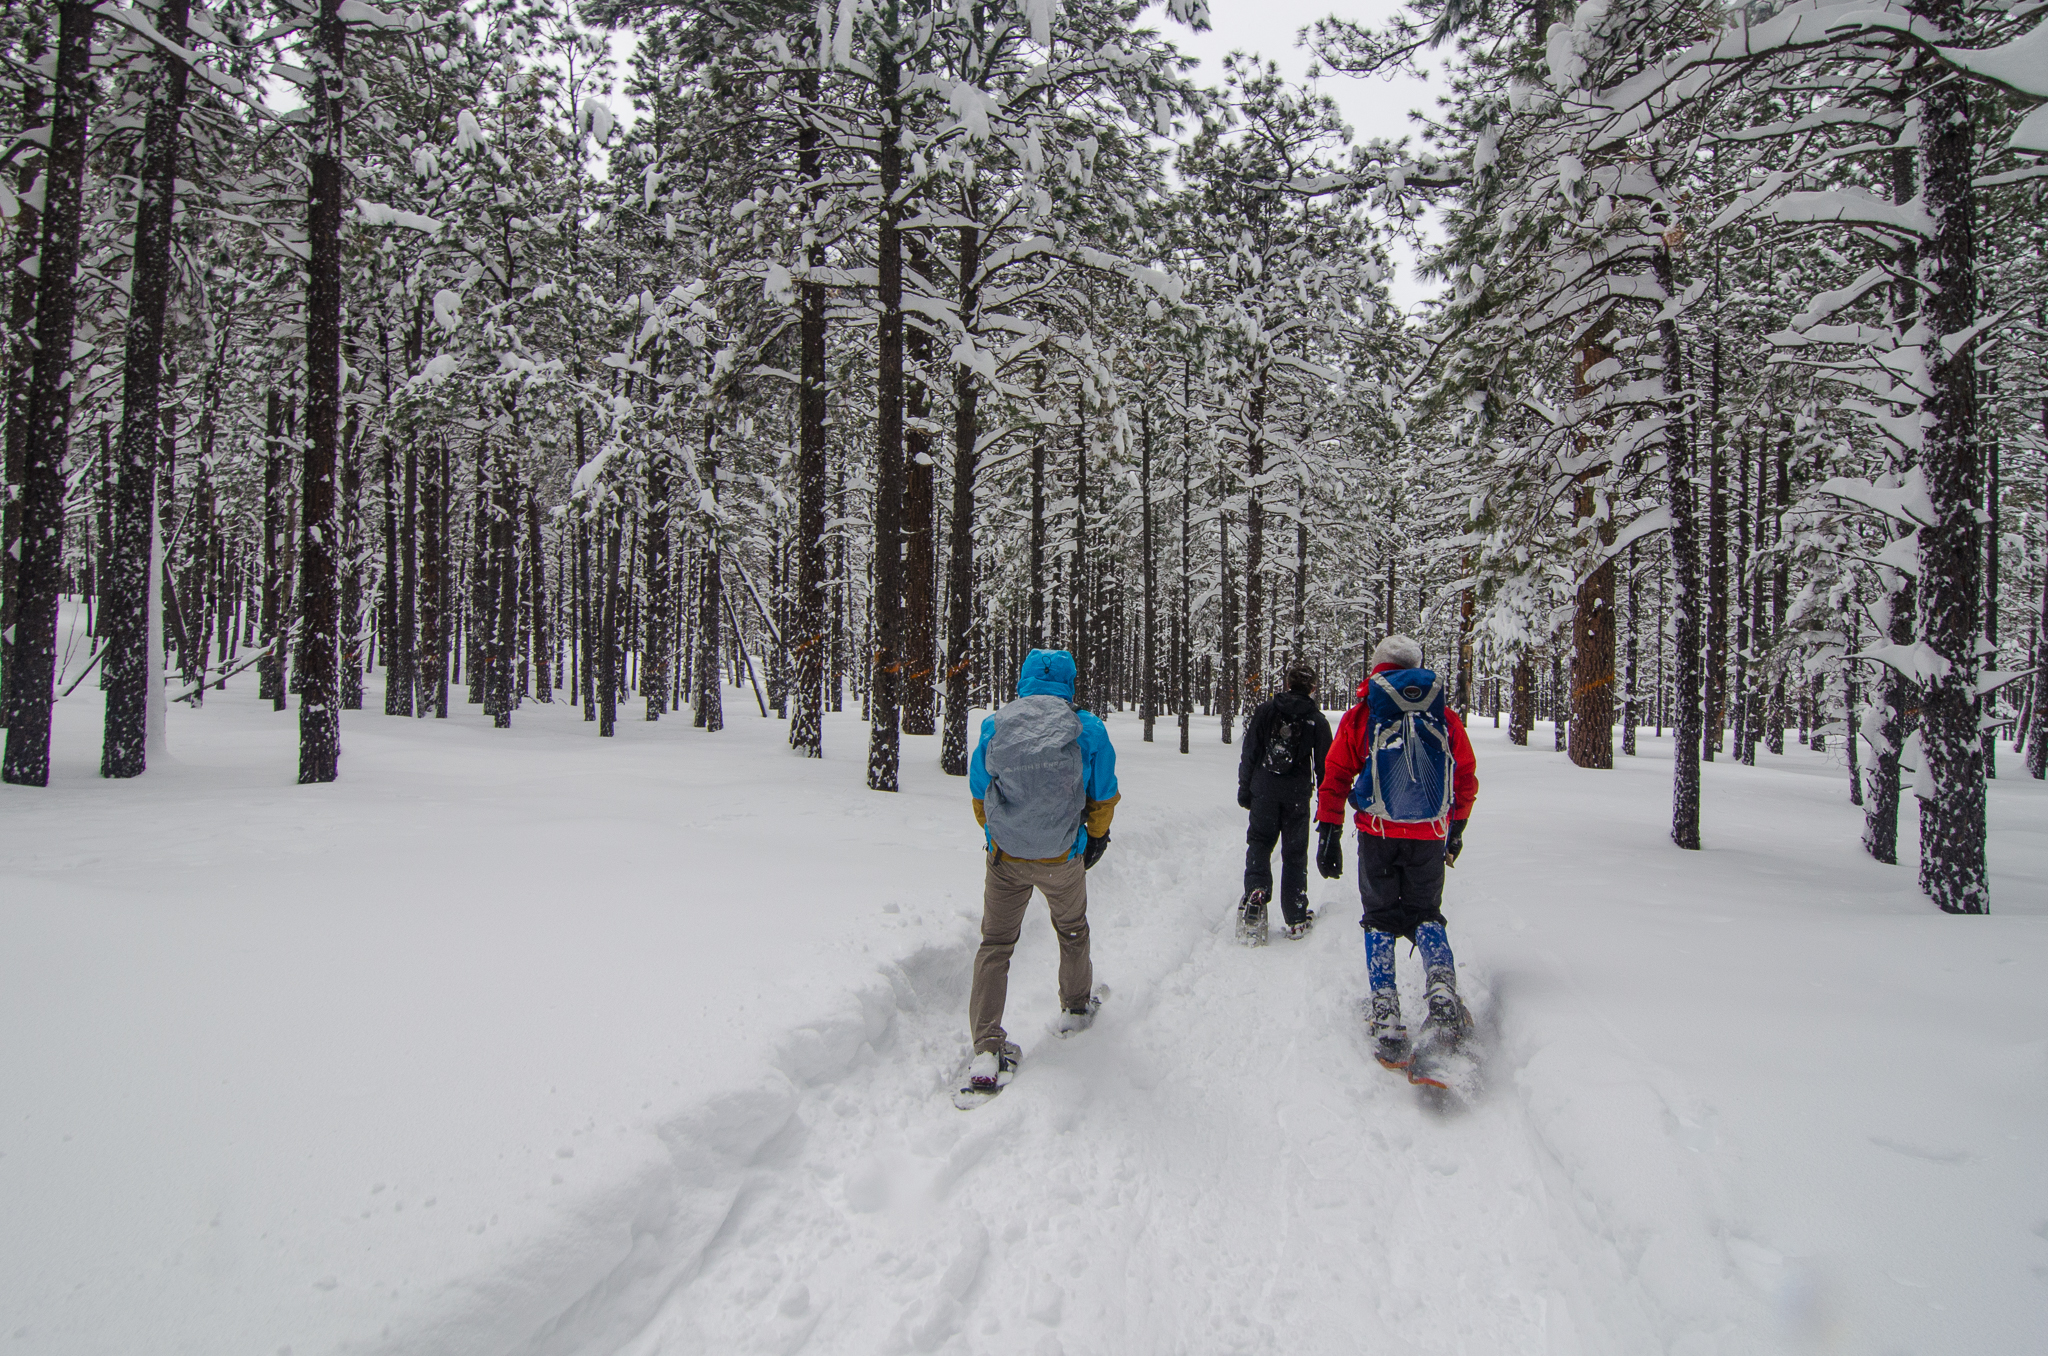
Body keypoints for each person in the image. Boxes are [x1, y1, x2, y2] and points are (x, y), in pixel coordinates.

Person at [1314, 635, 1478, 1072]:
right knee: (1426, 914)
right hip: (1429, 834)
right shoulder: (1442, 715)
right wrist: (1456, 827)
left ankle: (1385, 1011)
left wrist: (1329, 828)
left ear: (1377, 667)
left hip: (1377, 833)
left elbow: (1336, 773)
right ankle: (1442, 996)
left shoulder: (1364, 713)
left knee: (1379, 918)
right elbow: (1464, 774)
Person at [965, 649, 1119, 1092]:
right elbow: (1103, 794)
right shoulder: (1088, 728)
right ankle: (1075, 1007)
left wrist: (999, 836)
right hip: (1061, 857)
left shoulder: (995, 725)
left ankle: (987, 1049)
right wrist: (1094, 838)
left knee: (995, 945)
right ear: (1069, 683)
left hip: (1006, 859)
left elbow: (979, 791)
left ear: (1024, 681)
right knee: (1072, 929)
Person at [1235, 661, 1334, 944]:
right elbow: (1325, 767)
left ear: (1288, 683)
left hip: (1263, 790)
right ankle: (1296, 917)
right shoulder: (1316, 720)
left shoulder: (1266, 710)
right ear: (1312, 688)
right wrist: (1326, 805)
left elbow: (1250, 752)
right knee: (1294, 853)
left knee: (1259, 842)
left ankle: (1256, 893)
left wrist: (1245, 788)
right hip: (1296, 797)